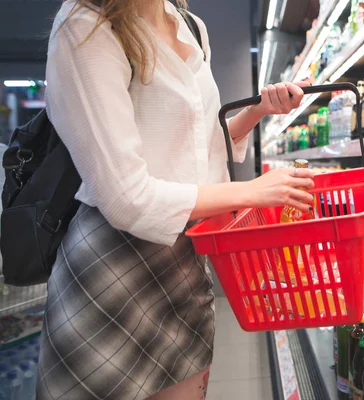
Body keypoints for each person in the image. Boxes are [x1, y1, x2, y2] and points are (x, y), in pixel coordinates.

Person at [36, 1, 314, 399]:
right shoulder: (86, 26)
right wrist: (253, 191)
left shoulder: (189, 25)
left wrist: (257, 111)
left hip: (184, 261)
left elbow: (194, 149)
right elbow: (126, 199)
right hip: (112, 269)